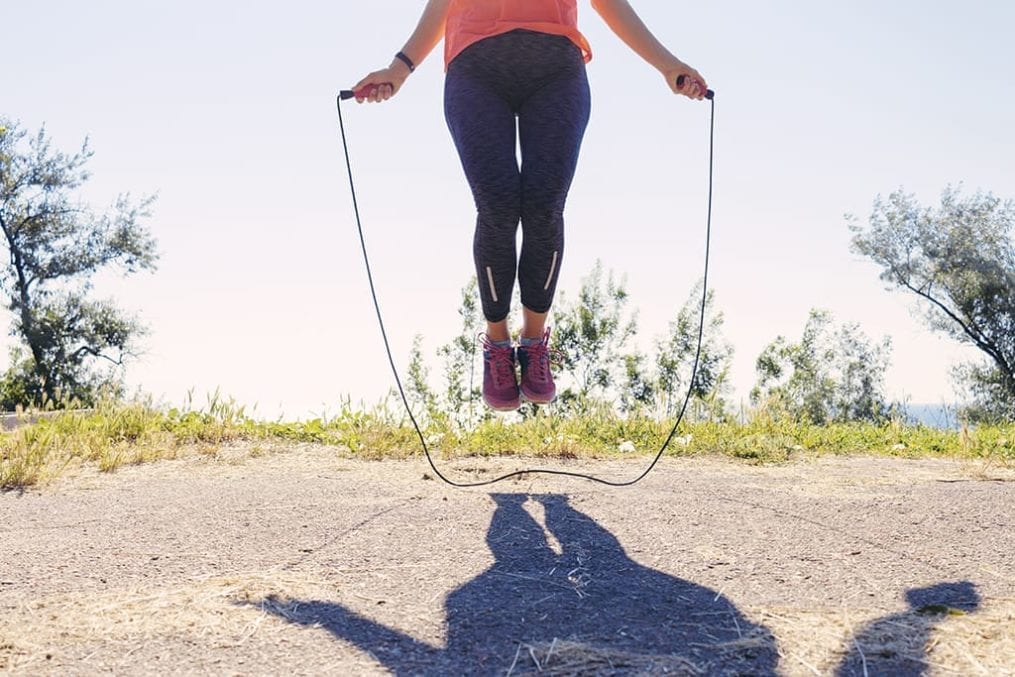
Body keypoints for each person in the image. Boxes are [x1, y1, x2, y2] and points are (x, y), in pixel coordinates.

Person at [351, 0, 708, 411]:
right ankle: (497, 345)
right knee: (498, 207)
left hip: (555, 69)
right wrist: (400, 68)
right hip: (475, 69)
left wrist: (667, 64)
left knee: (544, 207)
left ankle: (534, 342)